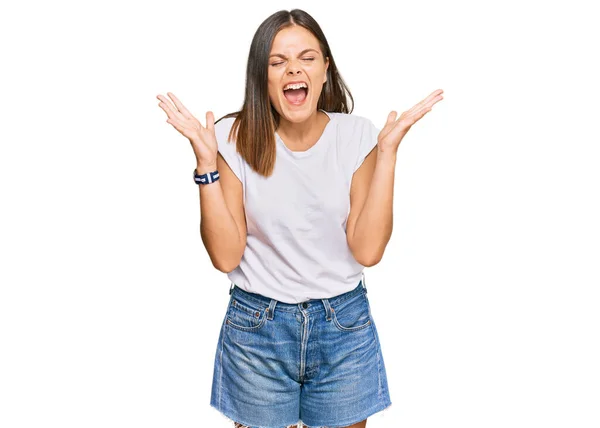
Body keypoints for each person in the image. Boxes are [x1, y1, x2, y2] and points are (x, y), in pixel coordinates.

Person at [157, 8, 443, 428]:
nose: (294, 68)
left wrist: (386, 156)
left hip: (342, 328)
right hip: (257, 329)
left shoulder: (357, 135)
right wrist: (206, 164)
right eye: (278, 61)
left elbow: (367, 249)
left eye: (307, 57)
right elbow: (225, 255)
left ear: (325, 69)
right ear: (264, 78)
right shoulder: (230, 140)